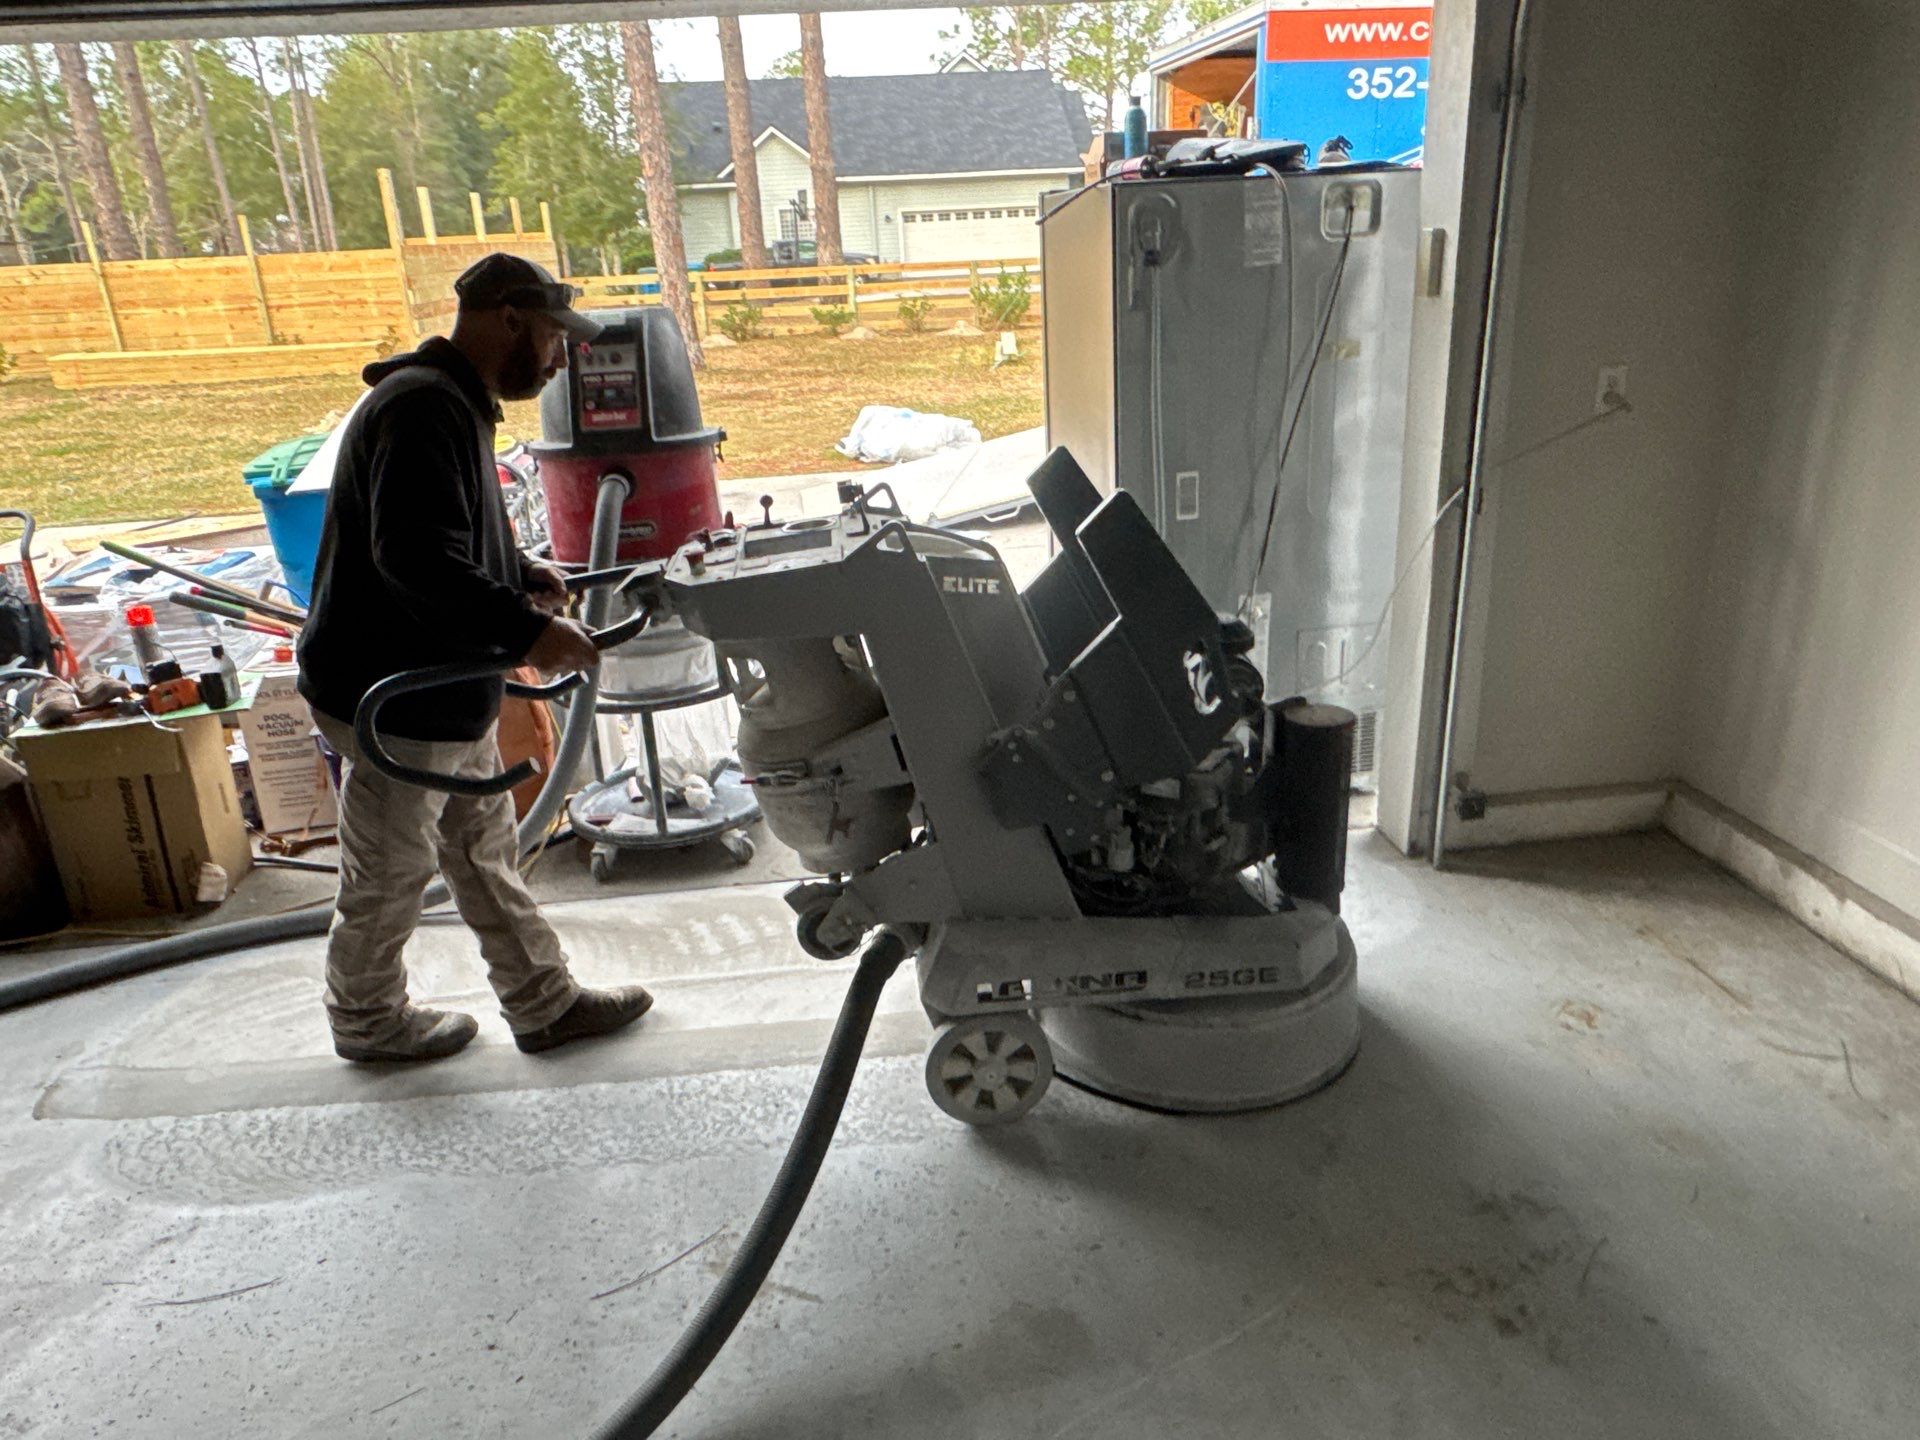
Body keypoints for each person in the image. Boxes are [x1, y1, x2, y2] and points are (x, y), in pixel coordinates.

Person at [298, 253, 651, 1063]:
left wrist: (520, 572)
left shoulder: (451, 401)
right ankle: (367, 1021)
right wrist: (529, 635)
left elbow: (445, 537)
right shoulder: (424, 408)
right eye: (556, 337)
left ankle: (543, 1002)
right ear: (510, 318)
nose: (562, 359)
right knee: (390, 872)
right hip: (396, 693)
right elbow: (415, 559)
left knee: (484, 853)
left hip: (440, 683)